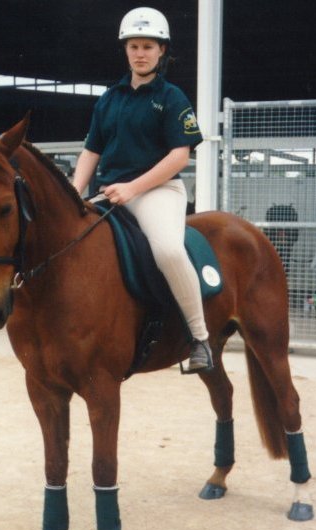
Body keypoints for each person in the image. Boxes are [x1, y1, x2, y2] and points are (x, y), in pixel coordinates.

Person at [73, 7, 213, 371]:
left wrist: (134, 188)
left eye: (148, 46)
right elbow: (92, 149)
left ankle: (199, 339)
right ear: (126, 49)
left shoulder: (172, 97)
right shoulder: (108, 99)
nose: (140, 52)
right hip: (109, 193)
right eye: (134, 45)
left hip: (157, 192)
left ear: (162, 50)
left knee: (167, 250)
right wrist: (75, 191)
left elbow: (179, 156)